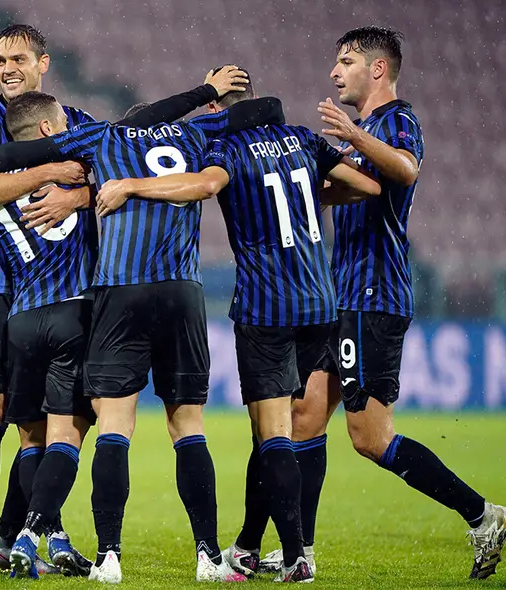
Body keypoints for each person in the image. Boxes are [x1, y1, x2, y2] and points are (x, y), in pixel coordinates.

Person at [95, 67, 381, 583]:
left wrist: (130, 185)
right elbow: (365, 185)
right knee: (291, 431)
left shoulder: (227, 150)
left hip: (267, 307)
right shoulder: (302, 140)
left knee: (272, 434)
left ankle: (297, 557)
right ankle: (247, 546)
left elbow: (202, 186)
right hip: (321, 301)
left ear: (218, 112)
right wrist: (307, 200)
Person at [254, 26, 506, 580]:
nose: (334, 72)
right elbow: (343, 188)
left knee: (370, 438)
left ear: (377, 69)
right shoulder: (362, 133)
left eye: (345, 61)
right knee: (304, 415)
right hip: (339, 296)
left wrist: (352, 138)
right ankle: (302, 553)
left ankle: (483, 515)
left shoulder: (396, 121)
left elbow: (405, 169)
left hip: (374, 296)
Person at [0, 66, 259, 584]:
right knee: (188, 427)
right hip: (181, 289)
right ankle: (207, 556)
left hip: (119, 289)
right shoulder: (196, 131)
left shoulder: (102, 135)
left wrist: (69, 182)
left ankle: (109, 557)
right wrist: (212, 96)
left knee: (115, 426)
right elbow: (266, 111)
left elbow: (7, 157)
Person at [0, 23, 95, 577]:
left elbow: (102, 178)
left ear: (43, 62)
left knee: (45, 421)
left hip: (59, 287)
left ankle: (31, 535)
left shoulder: (76, 120)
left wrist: (75, 195)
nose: (7, 69)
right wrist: (50, 170)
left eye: (17, 59)